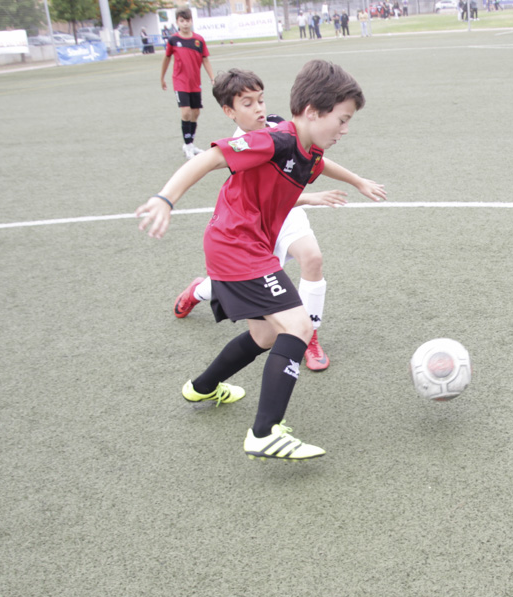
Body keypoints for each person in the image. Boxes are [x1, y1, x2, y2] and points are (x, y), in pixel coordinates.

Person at [135, 60, 369, 461]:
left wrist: (358, 181)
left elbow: (317, 164)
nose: (345, 130)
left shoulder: (306, 148)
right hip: (236, 247)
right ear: (313, 111)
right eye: (342, 120)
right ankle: (265, 432)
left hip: (246, 247)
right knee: (296, 325)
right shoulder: (272, 140)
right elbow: (209, 159)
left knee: (264, 336)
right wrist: (164, 198)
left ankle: (204, 386)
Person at [174, 69, 387, 372]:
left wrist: (357, 180)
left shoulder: (280, 127)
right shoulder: (246, 145)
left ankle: (309, 335)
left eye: (260, 100)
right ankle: (199, 290)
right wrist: (309, 197)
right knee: (246, 283)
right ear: (229, 112)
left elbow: (313, 159)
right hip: (256, 224)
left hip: (286, 212)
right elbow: (260, 198)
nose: (259, 108)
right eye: (247, 104)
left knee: (312, 258)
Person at [160, 7, 215, 160]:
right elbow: (166, 59)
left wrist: (212, 77)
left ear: (191, 21)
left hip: (195, 83)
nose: (185, 24)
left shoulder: (198, 40)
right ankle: (188, 146)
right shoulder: (173, 40)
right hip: (180, 82)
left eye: (188, 20)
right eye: (182, 21)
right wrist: (162, 78)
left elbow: (205, 59)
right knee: (186, 112)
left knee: (195, 113)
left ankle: (190, 144)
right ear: (177, 22)